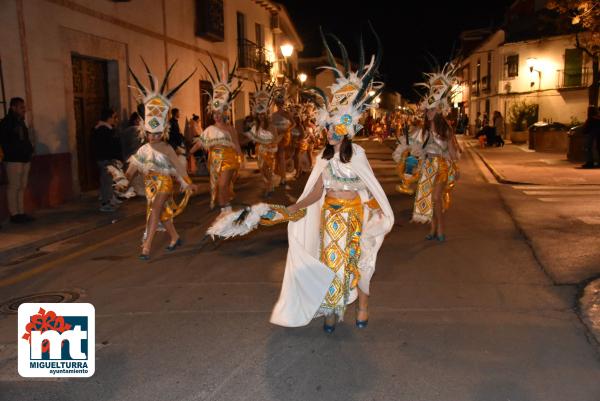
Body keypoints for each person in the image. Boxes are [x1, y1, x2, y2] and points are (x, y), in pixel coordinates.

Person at [270, 25, 393, 332]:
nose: (328, 131)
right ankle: (332, 309)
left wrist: (379, 211)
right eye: (327, 127)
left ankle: (362, 306)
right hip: (330, 217)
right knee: (330, 264)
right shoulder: (322, 158)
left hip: (356, 218)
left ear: (346, 129)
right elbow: (317, 192)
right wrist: (295, 207)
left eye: (334, 127)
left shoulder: (359, 156)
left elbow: (370, 188)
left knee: (359, 263)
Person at [125, 59, 197, 260]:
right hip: (150, 186)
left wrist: (187, 183)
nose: (153, 137)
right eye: (150, 133)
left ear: (163, 132)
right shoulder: (143, 150)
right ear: (144, 131)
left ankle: (146, 247)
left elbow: (178, 167)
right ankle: (174, 237)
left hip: (164, 183)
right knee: (163, 215)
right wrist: (123, 183)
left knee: (155, 211)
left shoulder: (166, 148)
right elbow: (131, 170)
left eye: (157, 134)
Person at [412, 62, 460, 241]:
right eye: (427, 110)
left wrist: (455, 168)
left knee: (436, 198)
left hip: (440, 166)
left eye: (432, 109)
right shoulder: (423, 130)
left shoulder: (446, 129)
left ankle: (440, 229)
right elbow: (417, 151)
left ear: (439, 110)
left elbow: (452, 151)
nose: (428, 112)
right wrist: (413, 162)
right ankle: (432, 229)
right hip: (426, 165)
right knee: (428, 200)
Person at [189, 57, 243, 213]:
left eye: (219, 113)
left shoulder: (231, 128)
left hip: (229, 158)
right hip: (214, 159)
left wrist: (240, 159)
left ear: (224, 112)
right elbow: (200, 143)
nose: (217, 116)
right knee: (220, 184)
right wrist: (189, 153)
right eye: (214, 113)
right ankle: (224, 205)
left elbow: (237, 144)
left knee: (223, 184)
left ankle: (225, 206)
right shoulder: (210, 129)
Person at [0, 97, 35, 223]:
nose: (24, 110)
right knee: (14, 186)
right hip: (14, 160)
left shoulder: (21, 122)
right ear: (13, 107)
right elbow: (5, 142)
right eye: (21, 107)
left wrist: (29, 151)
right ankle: (14, 214)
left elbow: (24, 140)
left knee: (22, 186)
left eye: (24, 107)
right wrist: (13, 153)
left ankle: (21, 212)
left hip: (24, 159)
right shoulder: (6, 123)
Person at [92, 107, 121, 212]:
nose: (115, 119)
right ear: (109, 118)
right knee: (106, 181)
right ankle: (105, 203)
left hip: (105, 158)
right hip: (105, 159)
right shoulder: (103, 129)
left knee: (108, 181)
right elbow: (108, 146)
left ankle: (108, 201)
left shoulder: (104, 128)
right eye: (114, 117)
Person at [271, 85, 295, 186]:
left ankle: (283, 178)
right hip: (275, 137)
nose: (280, 105)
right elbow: (271, 126)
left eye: (281, 103)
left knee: (280, 156)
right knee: (276, 157)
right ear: (276, 104)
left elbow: (294, 124)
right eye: (278, 103)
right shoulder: (273, 115)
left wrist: (287, 130)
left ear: (283, 103)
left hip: (284, 137)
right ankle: (280, 175)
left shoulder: (287, 114)